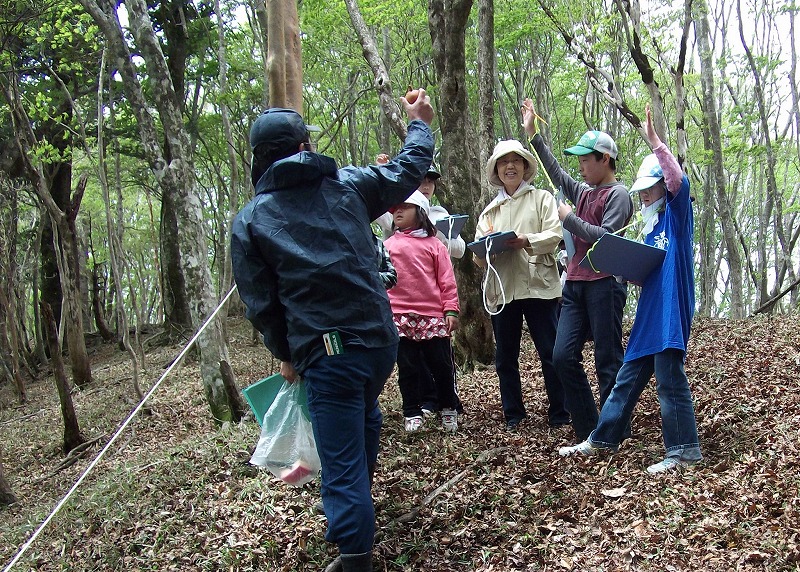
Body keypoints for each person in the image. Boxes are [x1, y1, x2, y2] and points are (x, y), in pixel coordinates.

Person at [231, 94, 435, 572]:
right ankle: (354, 510)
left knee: (340, 458)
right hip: (378, 343)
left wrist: (286, 352)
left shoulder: (252, 219)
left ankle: (355, 554)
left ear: (259, 159)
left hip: (332, 351)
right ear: (305, 145)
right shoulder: (350, 186)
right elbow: (409, 167)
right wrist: (418, 123)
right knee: (363, 415)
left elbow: (261, 304)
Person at [559, 103, 702, 474]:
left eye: (649, 191)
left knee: (669, 378)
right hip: (649, 312)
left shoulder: (676, 215)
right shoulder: (651, 228)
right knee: (626, 379)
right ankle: (603, 438)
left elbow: (677, 181)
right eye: (641, 192)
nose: (643, 197)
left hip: (670, 310)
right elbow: (645, 271)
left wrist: (655, 142)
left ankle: (684, 449)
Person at [522, 99, 634, 443]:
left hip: (605, 285)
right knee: (561, 355)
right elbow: (557, 172)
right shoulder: (584, 191)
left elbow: (607, 239)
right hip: (574, 284)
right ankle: (589, 430)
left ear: (605, 159)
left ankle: (614, 432)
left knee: (607, 359)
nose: (582, 166)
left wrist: (569, 219)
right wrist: (533, 135)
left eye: (587, 159)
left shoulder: (619, 194)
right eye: (580, 160)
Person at [473, 139, 568, 430]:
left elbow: (555, 235)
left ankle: (560, 413)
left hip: (538, 285)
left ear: (525, 167)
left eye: (515, 161)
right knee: (505, 357)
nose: (510, 166)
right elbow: (478, 258)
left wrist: (528, 241)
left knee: (550, 352)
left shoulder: (541, 199)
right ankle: (513, 415)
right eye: (503, 162)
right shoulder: (490, 211)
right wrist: (490, 248)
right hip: (503, 289)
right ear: (497, 170)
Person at [384, 191, 461, 433]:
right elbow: (380, 281)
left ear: (420, 212)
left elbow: (446, 280)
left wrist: (451, 310)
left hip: (432, 316)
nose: (398, 210)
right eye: (395, 207)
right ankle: (412, 411)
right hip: (399, 316)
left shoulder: (435, 245)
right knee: (408, 368)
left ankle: (449, 408)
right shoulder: (387, 245)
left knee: (441, 366)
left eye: (405, 207)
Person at [374, 163, 466, 259]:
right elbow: (376, 209)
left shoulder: (440, 215)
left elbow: (460, 249)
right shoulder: (397, 209)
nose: (426, 186)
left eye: (430, 181)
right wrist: (383, 175)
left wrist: (435, 236)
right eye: (421, 181)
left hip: (429, 269)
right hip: (396, 269)